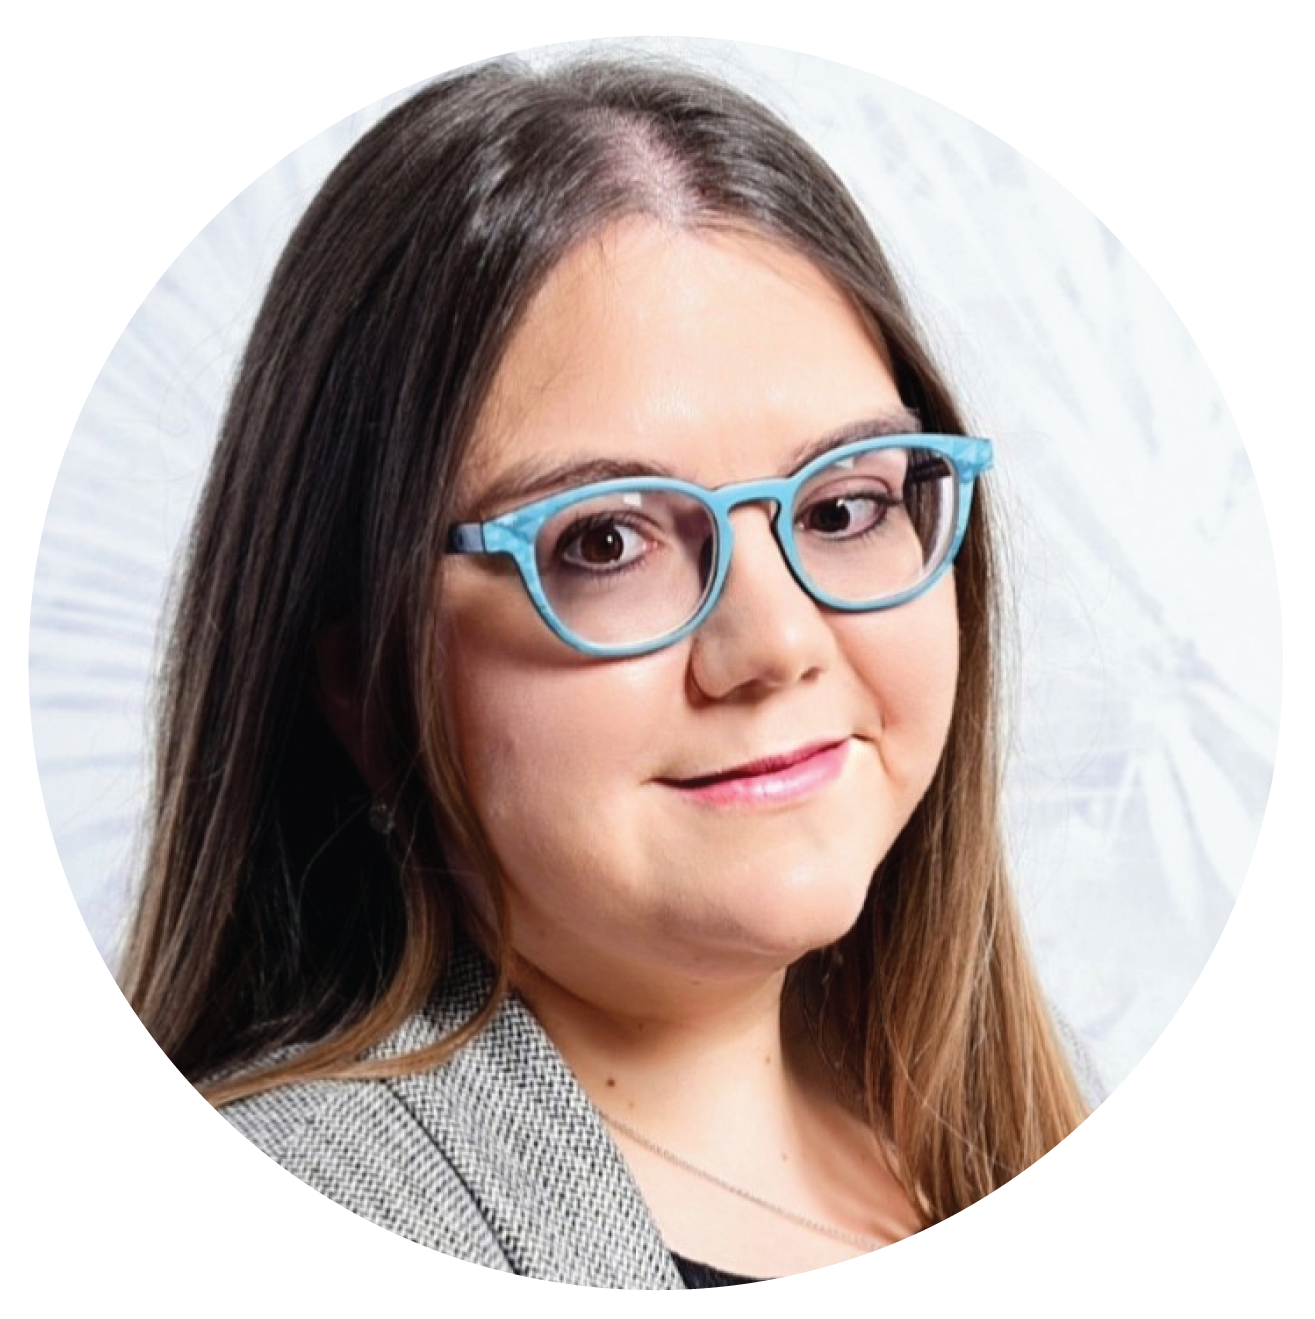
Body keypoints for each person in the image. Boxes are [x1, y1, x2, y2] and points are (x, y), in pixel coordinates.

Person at [120, 55, 1087, 1288]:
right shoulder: (329, 1193)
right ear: (362, 676)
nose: (776, 643)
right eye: (604, 542)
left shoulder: (1005, 1128)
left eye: (843, 507)